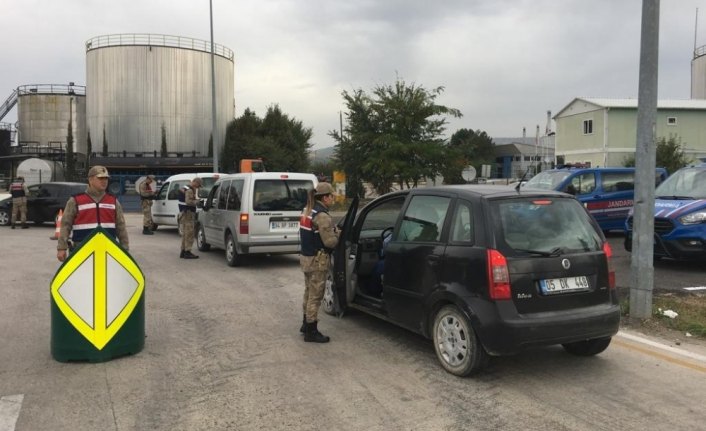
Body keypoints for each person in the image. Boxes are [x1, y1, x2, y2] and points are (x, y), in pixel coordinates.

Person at [56, 166, 129, 262]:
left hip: (108, 250)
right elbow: (65, 225)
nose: (104, 181)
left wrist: (125, 248)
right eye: (100, 178)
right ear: (90, 180)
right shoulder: (75, 200)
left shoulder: (113, 201)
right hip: (81, 249)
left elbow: (121, 227)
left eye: (106, 178)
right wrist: (62, 247)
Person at [298, 182, 339, 343]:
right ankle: (311, 331)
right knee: (316, 296)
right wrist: (338, 236)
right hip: (317, 260)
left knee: (308, 293)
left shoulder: (307, 210)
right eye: (332, 196)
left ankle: (305, 324)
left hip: (306, 258)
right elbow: (329, 242)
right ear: (325, 197)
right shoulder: (322, 215)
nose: (333, 199)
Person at [178, 177, 202, 259]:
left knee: (185, 233)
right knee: (189, 233)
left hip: (184, 213)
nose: (198, 187)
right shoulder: (190, 190)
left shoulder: (184, 188)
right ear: (195, 182)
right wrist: (198, 202)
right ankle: (187, 252)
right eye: (198, 185)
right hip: (188, 213)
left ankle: (183, 251)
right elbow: (188, 201)